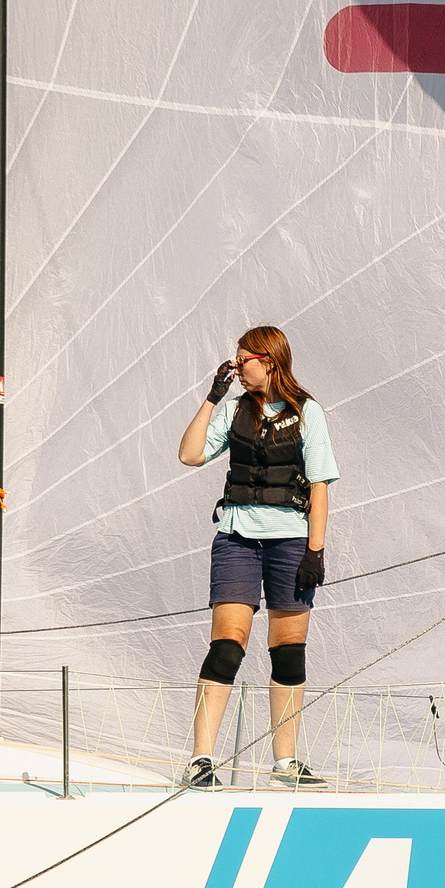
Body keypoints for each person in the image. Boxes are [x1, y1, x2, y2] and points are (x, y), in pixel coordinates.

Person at [175, 325, 337, 789]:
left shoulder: (308, 413)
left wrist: (315, 552)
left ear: (267, 359)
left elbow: (321, 486)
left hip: (291, 542)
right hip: (237, 539)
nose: (236, 366)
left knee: (288, 653)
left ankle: (285, 763)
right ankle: (200, 760)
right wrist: (212, 396)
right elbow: (189, 455)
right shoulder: (233, 411)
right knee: (227, 647)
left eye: (242, 360)